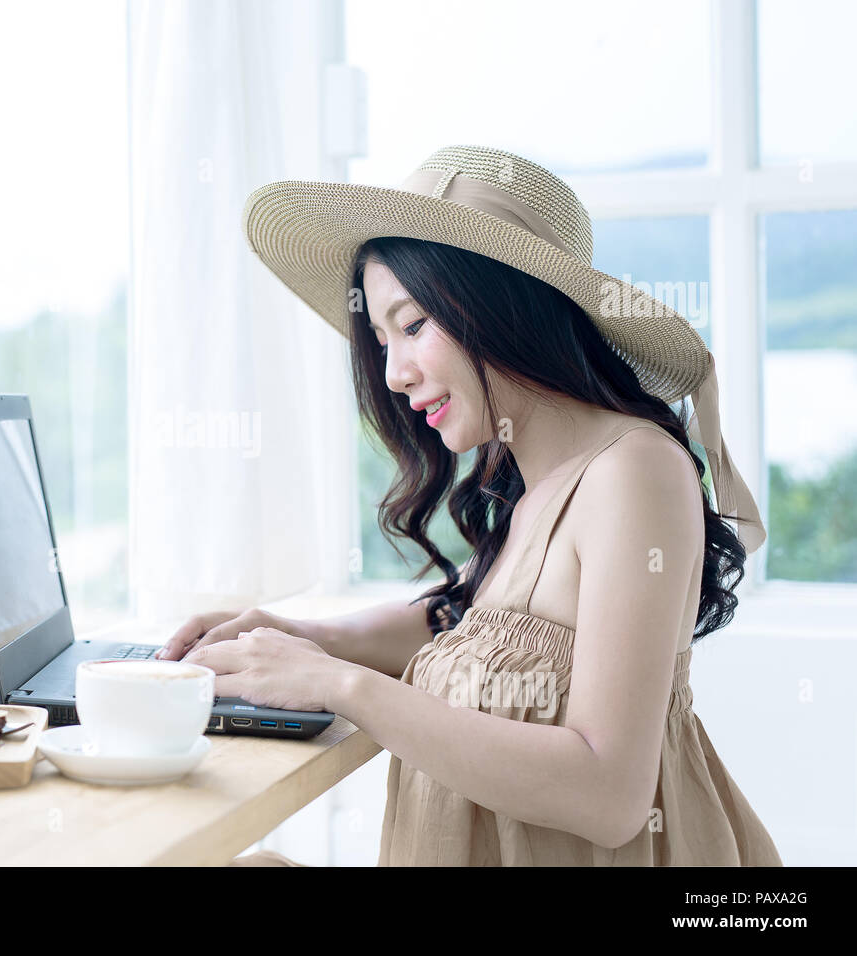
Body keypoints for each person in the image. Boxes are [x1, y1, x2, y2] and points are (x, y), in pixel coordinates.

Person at [155, 145, 783, 867]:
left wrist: (338, 684)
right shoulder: (526, 480)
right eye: (381, 339)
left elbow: (609, 795)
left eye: (414, 325)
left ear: (503, 303)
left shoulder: (632, 471)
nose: (393, 373)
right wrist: (295, 635)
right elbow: (474, 631)